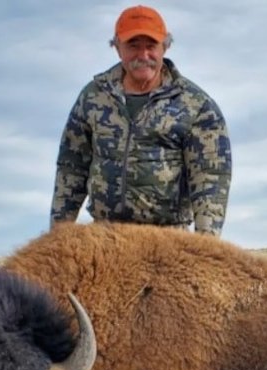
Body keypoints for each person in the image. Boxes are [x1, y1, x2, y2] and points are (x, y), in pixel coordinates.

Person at [49, 5, 232, 236]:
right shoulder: (93, 97)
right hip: (105, 236)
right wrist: (56, 236)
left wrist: (206, 244)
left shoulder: (196, 105)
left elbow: (210, 177)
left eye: (151, 46)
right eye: (133, 46)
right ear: (117, 48)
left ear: (165, 46)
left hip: (168, 238)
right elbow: (72, 167)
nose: (143, 56)